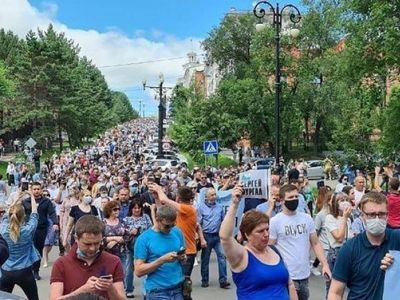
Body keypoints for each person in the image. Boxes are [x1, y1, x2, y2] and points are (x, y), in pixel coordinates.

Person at [219, 184, 298, 300]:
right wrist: (235, 204)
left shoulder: (274, 251)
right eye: (260, 231)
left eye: (267, 229)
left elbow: (290, 285)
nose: (266, 234)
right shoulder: (241, 256)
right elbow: (225, 237)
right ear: (247, 234)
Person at [328, 192, 400, 299]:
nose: (377, 219)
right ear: (362, 216)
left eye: (381, 214)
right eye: (371, 214)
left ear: (387, 215)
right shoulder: (349, 248)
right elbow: (335, 293)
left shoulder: (397, 238)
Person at [268, 184, 331, 300]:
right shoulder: (275, 222)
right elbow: (269, 248)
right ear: (282, 200)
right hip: (286, 276)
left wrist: (325, 264)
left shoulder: (306, 218)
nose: (294, 200)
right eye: (290, 197)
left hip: (304, 274)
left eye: (296, 196)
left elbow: (315, 243)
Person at [50, 215, 125, 300]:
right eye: (87, 244)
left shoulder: (114, 261)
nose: (92, 248)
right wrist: (82, 290)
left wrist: (111, 289)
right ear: (76, 239)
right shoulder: (61, 264)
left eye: (97, 243)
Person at [149, 183, 203, 300]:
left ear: (178, 197)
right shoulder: (182, 210)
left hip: (187, 251)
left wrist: (159, 189)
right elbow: (162, 212)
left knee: (183, 285)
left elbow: (165, 199)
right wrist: (157, 197)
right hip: (177, 249)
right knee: (175, 282)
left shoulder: (188, 209)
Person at [134, 205, 186, 300]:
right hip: (157, 291)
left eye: (173, 225)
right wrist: (162, 260)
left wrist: (182, 258)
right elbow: (138, 271)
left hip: (178, 288)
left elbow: (183, 259)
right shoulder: (144, 239)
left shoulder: (177, 232)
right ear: (157, 219)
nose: (170, 228)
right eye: (166, 226)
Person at [0, 191, 40, 300]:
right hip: (25, 271)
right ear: (23, 216)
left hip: (6, 271)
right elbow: (34, 214)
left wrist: (16, 199)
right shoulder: (27, 230)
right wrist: (32, 196)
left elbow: (5, 216)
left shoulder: (3, 229)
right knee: (33, 298)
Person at [22, 182, 58, 280]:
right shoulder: (25, 202)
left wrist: (55, 223)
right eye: (34, 189)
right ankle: (28, 270)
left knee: (38, 251)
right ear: (31, 190)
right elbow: (20, 213)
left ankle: (36, 271)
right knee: (28, 249)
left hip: (41, 229)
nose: (36, 191)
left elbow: (52, 213)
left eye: (38, 189)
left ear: (41, 190)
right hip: (28, 230)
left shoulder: (46, 202)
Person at [197, 187, 230, 289]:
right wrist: (201, 238)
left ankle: (223, 280)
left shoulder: (219, 207)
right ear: (206, 197)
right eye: (211, 195)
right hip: (206, 235)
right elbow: (198, 224)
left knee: (222, 258)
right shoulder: (200, 208)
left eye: (215, 194)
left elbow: (223, 221)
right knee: (205, 259)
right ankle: (205, 280)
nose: (214, 197)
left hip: (217, 236)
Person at [102, 200, 133, 298]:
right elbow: (99, 238)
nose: (117, 211)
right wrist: (113, 238)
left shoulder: (122, 222)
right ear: (109, 210)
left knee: (120, 278)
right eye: (115, 209)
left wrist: (116, 240)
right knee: (106, 278)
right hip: (105, 255)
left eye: (118, 209)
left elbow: (128, 236)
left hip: (121, 254)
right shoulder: (102, 223)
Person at [324, 192, 352, 294]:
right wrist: (344, 218)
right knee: (333, 287)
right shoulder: (330, 218)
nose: (345, 203)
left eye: (346, 200)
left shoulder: (349, 219)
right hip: (336, 253)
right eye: (341, 200)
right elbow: (339, 238)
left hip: (347, 252)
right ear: (336, 203)